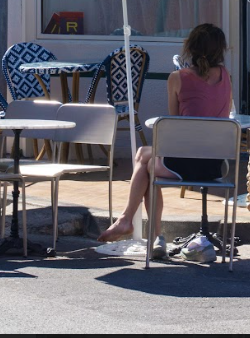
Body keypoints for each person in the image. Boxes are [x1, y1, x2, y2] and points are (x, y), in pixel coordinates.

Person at [96, 22, 232, 256]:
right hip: (216, 164)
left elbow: (173, 122)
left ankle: (141, 228)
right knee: (144, 157)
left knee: (145, 162)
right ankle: (140, 229)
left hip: (185, 162)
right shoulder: (226, 76)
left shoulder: (177, 77)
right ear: (221, 50)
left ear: (190, 47)